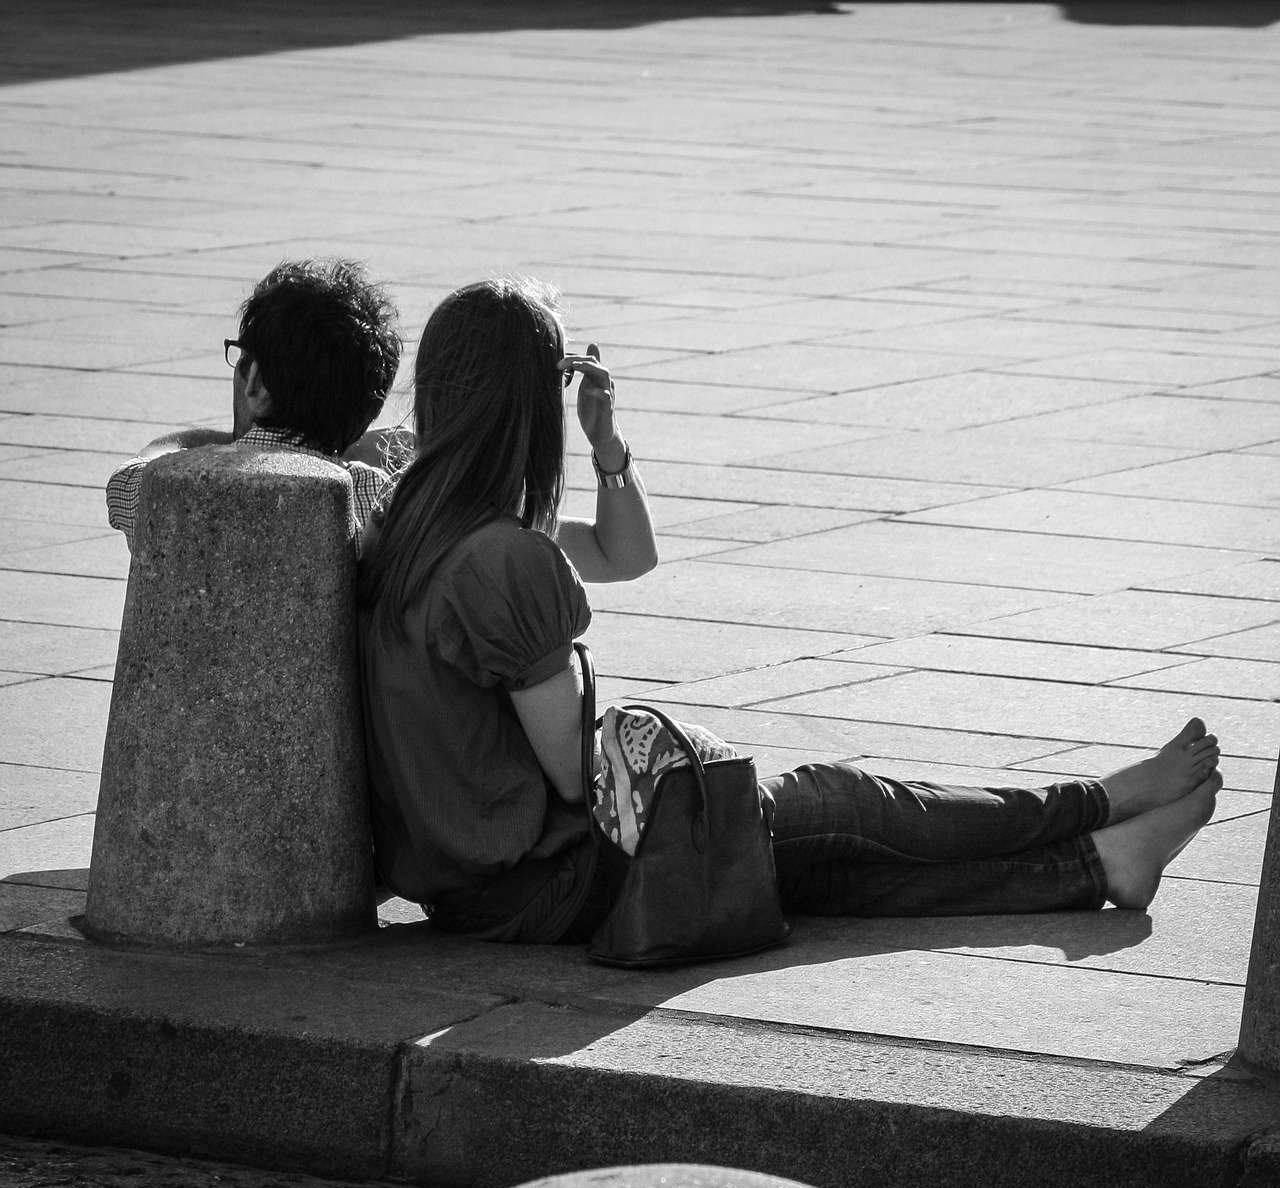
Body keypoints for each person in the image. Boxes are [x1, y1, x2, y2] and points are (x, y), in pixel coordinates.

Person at [357, 276, 1222, 947]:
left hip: (482, 893)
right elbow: (572, 773)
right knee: (844, 802)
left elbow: (628, 555)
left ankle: (1102, 861)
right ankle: (1095, 802)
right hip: (559, 878)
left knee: (813, 876)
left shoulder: (420, 518)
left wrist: (608, 448)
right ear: (524, 404)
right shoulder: (503, 560)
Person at [106, 258, 402, 554]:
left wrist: (225, 445)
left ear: (255, 381)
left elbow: (128, 475)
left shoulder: (167, 488)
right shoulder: (371, 495)